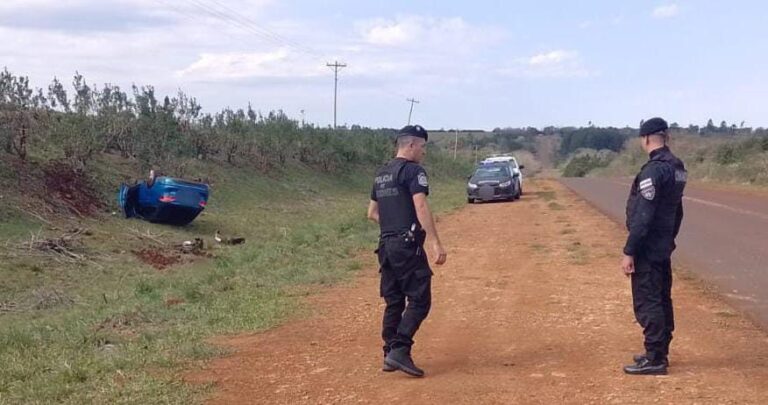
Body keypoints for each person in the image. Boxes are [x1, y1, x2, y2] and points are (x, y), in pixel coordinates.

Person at [366, 124, 447, 377]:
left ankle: (389, 353)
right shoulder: (413, 171)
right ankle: (400, 349)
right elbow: (420, 205)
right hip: (406, 245)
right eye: (422, 146)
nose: (423, 152)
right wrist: (434, 242)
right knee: (420, 299)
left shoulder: (382, 174)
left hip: (386, 246)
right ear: (410, 145)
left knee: (394, 301)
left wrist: (393, 227)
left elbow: (372, 213)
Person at [621, 117, 687, 375]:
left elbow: (643, 215)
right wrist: (670, 238)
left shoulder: (653, 170)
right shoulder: (677, 168)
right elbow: (677, 211)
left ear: (646, 138)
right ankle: (659, 352)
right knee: (661, 298)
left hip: (648, 247)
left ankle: (655, 358)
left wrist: (629, 250)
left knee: (648, 301)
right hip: (663, 245)